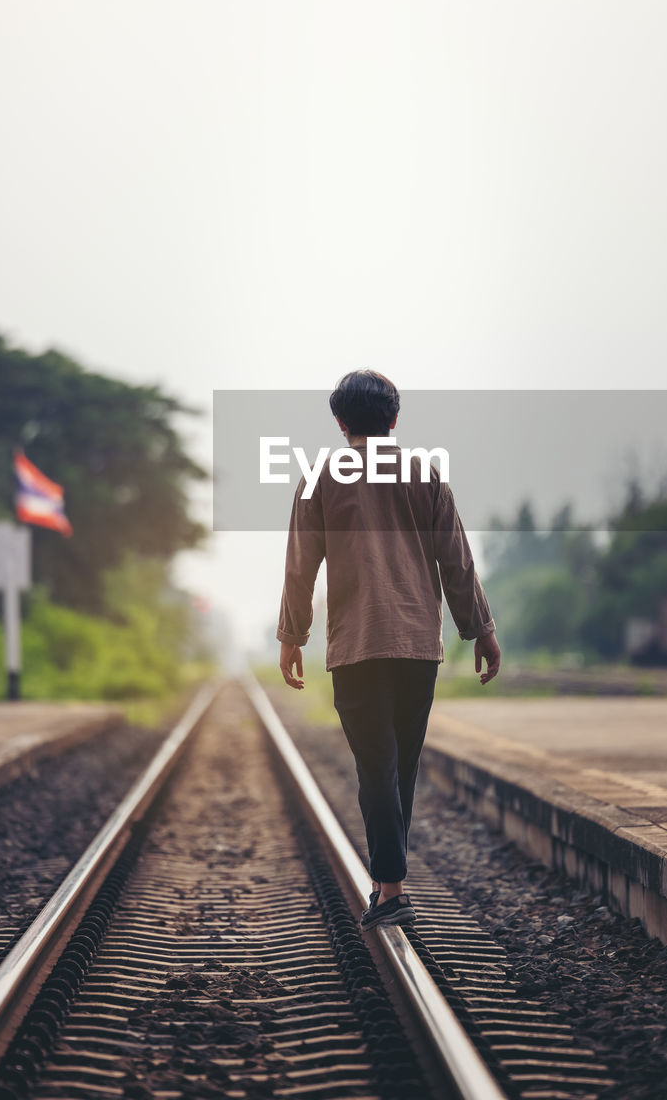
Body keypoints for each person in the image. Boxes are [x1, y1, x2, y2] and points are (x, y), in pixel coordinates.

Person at [277, 369, 500, 931]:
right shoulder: (426, 475)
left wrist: (292, 636)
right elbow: (457, 560)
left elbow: (300, 566)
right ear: (394, 419)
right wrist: (481, 629)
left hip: (356, 646)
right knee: (401, 764)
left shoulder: (319, 478)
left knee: (377, 765)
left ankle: (391, 887)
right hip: (417, 644)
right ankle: (388, 880)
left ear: (340, 422)